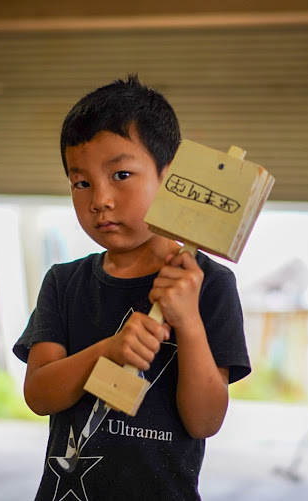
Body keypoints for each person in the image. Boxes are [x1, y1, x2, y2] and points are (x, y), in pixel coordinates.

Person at [13, 74, 250, 500]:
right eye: (81, 182)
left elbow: (205, 421)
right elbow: (39, 394)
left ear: (169, 178)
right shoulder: (64, 284)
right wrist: (109, 349)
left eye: (121, 174)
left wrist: (189, 322)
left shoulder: (209, 284)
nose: (99, 199)